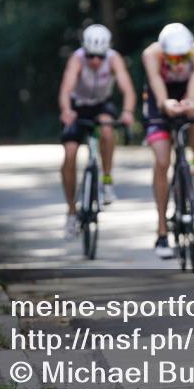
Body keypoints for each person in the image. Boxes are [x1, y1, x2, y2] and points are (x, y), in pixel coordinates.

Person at [58, 24, 136, 239]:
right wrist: (66, 111)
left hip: (102, 104)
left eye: (99, 57)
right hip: (78, 106)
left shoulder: (113, 59)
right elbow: (65, 90)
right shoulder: (77, 59)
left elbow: (127, 89)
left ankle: (107, 180)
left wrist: (128, 112)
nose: (95, 61)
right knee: (70, 153)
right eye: (91, 55)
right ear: (85, 50)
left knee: (108, 129)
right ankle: (71, 211)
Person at [142, 23, 194, 258]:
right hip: (159, 96)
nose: (179, 62)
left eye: (184, 57)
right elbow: (156, 84)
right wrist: (166, 104)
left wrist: (190, 102)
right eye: (172, 58)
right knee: (162, 161)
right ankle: (162, 231)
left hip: (185, 91)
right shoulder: (151, 54)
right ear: (163, 52)